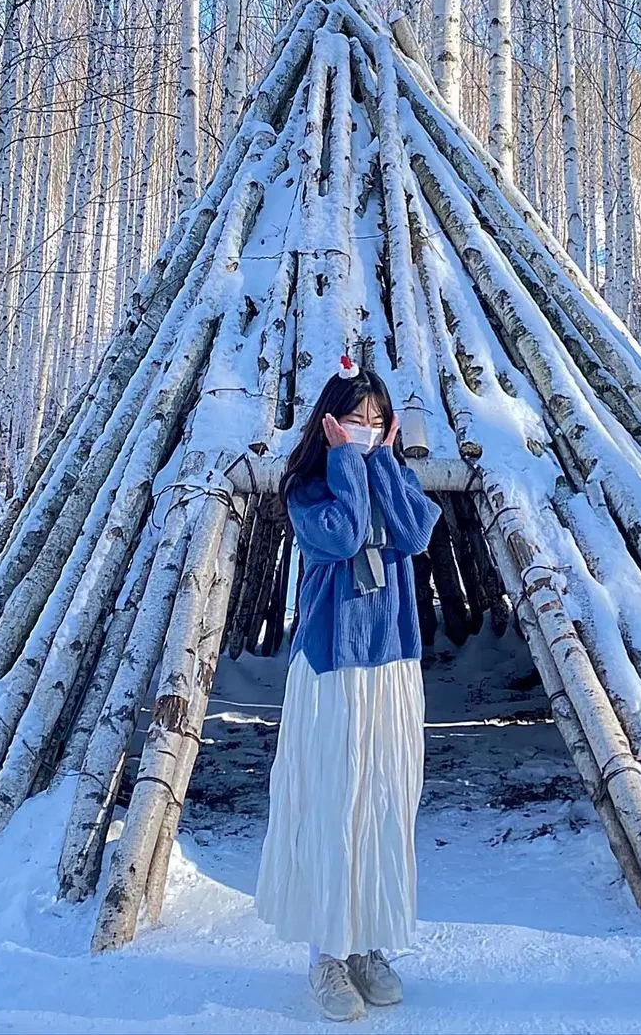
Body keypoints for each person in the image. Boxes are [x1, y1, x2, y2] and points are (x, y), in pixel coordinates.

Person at [255, 356, 441, 1021]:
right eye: (354, 420)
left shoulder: (391, 476)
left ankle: (365, 942)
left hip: (390, 666)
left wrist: (383, 464)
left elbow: (416, 531)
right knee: (333, 803)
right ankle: (325, 955)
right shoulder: (308, 487)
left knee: (381, 802)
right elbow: (339, 537)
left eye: (376, 421)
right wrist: (346, 466)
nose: (366, 429)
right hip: (332, 667)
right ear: (329, 423)